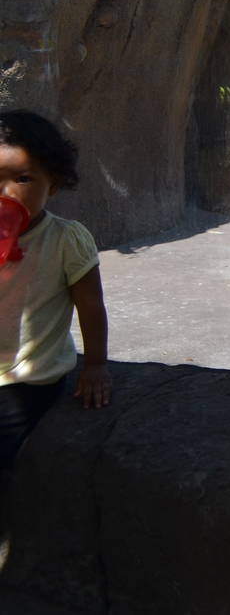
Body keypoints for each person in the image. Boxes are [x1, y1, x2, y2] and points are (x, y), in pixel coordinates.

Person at [0, 110, 109, 470]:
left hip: (28, 379)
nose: (5, 191)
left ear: (55, 184)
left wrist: (95, 365)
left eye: (23, 178)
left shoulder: (64, 239)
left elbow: (91, 305)